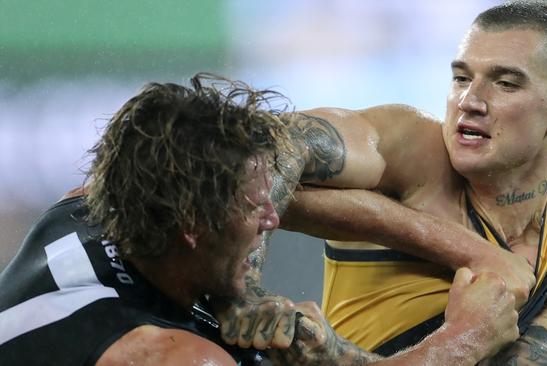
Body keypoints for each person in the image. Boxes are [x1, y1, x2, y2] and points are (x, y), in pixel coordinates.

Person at [0, 74, 520, 365]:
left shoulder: (94, 206)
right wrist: (461, 341)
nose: (273, 215)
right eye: (255, 206)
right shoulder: (173, 359)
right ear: (192, 225)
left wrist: (237, 298)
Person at [276, 1, 547, 364]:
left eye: (506, 83)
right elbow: (250, 155)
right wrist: (465, 249)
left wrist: (341, 358)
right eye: (461, 78)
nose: (470, 101)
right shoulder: (408, 147)